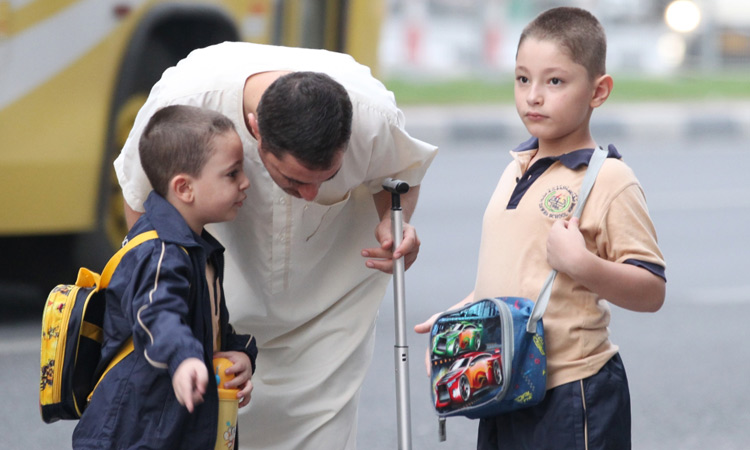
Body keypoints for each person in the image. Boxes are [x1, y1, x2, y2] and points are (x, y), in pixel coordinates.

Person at [113, 42, 437, 449]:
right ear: (254, 129)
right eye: (294, 180)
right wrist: (175, 298)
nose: (310, 193)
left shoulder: (373, 117)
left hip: (328, 306)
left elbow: (401, 174)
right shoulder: (187, 103)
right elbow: (140, 201)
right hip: (220, 302)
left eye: (327, 177)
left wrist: (396, 224)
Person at [415, 7, 666, 449]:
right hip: (506, 386)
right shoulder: (516, 166)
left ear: (598, 90)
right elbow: (519, 273)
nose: (533, 96)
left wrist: (582, 264)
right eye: (522, 79)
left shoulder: (608, 179)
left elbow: (651, 290)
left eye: (554, 81)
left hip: (572, 392)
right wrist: (462, 319)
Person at [73, 105, 257, 449]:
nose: (246, 182)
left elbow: (208, 325)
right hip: (136, 431)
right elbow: (157, 314)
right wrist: (184, 356)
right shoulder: (160, 252)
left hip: (172, 427)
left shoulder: (195, 247)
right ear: (184, 188)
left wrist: (240, 353)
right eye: (232, 174)